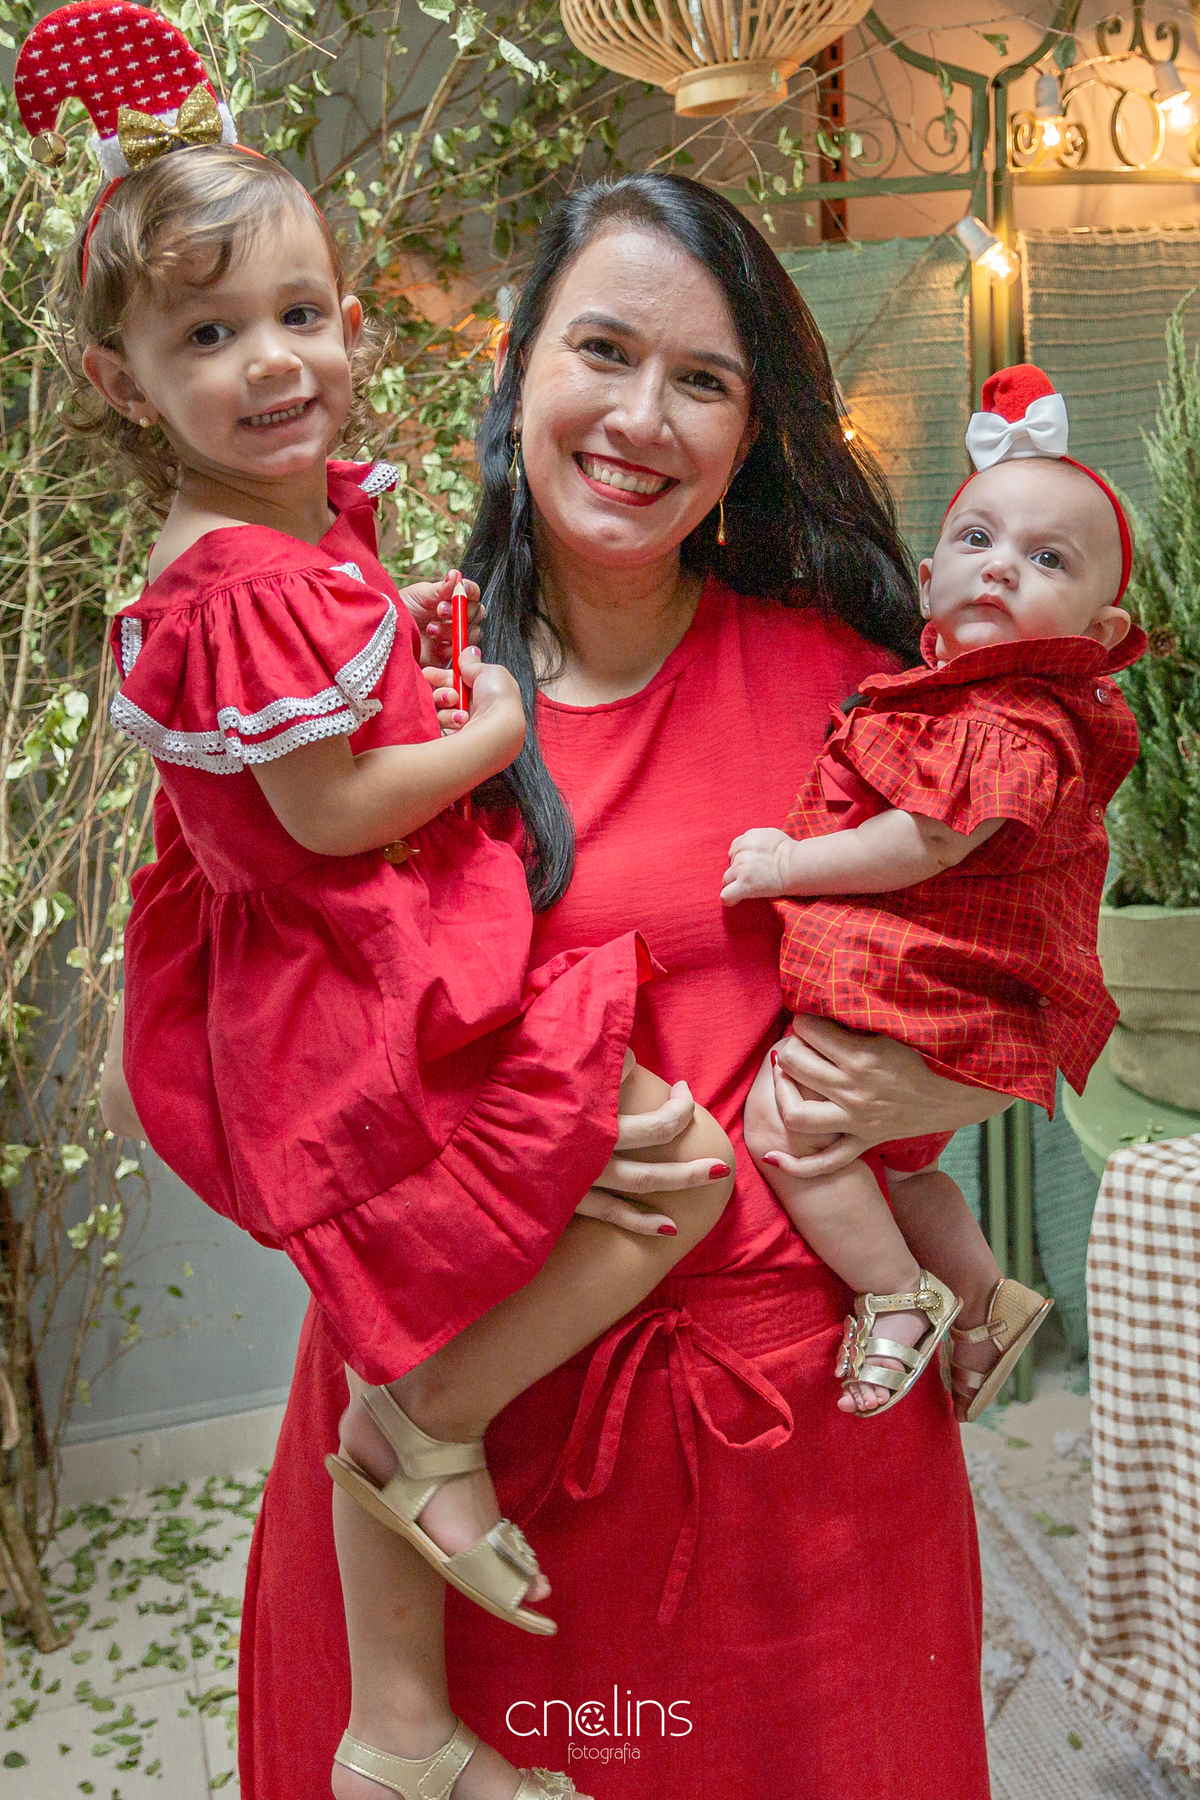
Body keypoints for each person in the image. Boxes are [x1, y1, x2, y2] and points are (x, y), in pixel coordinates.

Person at [221, 174, 1005, 1800]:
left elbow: (1018, 981)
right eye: (603, 351)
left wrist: (940, 1084)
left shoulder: (856, 683)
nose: (643, 419)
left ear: (753, 427)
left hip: (792, 1485)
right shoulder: (361, 691)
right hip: (446, 1457)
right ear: (519, 365)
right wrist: (475, 1148)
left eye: (703, 378)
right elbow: (202, 1067)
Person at [25, 11, 735, 1798]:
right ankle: (428, 1430)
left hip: (356, 954)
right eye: (207, 335)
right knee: (660, 1175)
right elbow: (330, 808)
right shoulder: (235, 573)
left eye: (297, 313)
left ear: (348, 317)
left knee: (588, 1197)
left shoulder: (277, 533)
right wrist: (491, 724)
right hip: (362, 985)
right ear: (122, 380)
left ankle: (400, 1727)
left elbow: (309, 750)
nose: (272, 362)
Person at [722, 362, 1146, 1421]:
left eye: (1047, 559)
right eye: (978, 540)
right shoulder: (947, 702)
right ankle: (985, 1299)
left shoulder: (1016, 720)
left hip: (923, 992)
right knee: (902, 1174)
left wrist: (788, 866)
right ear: (924, 583)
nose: (1001, 566)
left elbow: (923, 842)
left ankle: (898, 1296)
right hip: (922, 1002)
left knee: (784, 1127)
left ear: (1099, 634)